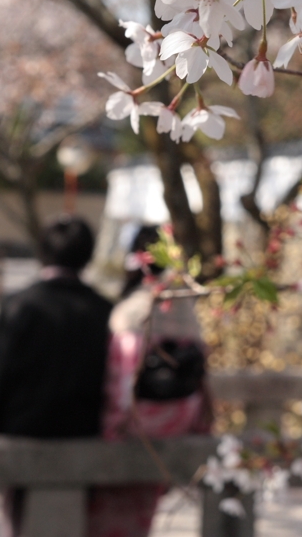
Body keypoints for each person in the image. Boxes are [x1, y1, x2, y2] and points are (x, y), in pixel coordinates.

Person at [0, 216, 112, 536]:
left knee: (19, 522)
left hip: (24, 430)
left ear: (43, 251)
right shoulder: (103, 310)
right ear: (88, 255)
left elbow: (0, 375)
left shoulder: (19, 305)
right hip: (84, 431)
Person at [87, 225, 211, 537]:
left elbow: (121, 383)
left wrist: (113, 429)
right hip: (180, 418)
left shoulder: (130, 312)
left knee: (112, 515)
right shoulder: (183, 303)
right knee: (143, 510)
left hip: (136, 422)